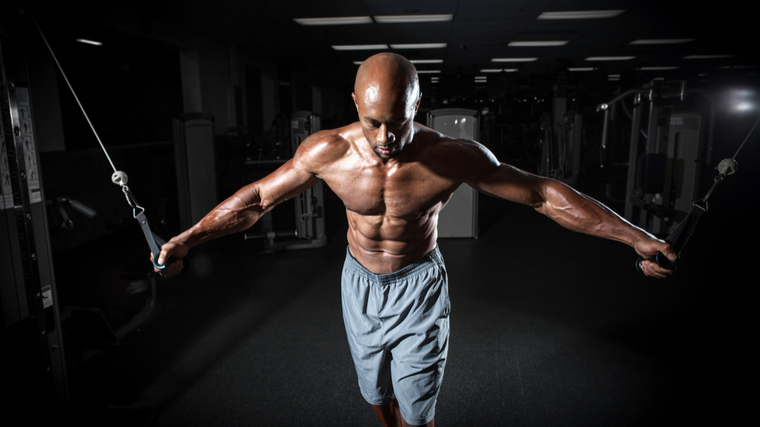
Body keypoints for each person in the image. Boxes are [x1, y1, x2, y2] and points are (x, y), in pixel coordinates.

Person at [153, 52, 675, 427]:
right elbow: (257, 200)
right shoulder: (326, 151)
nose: (385, 139)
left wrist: (636, 238)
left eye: (398, 123)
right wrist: (188, 240)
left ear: (419, 102)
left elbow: (542, 195)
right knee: (375, 391)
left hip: (418, 285)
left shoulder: (451, 156)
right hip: (358, 284)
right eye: (373, 121)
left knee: (418, 405)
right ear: (354, 102)